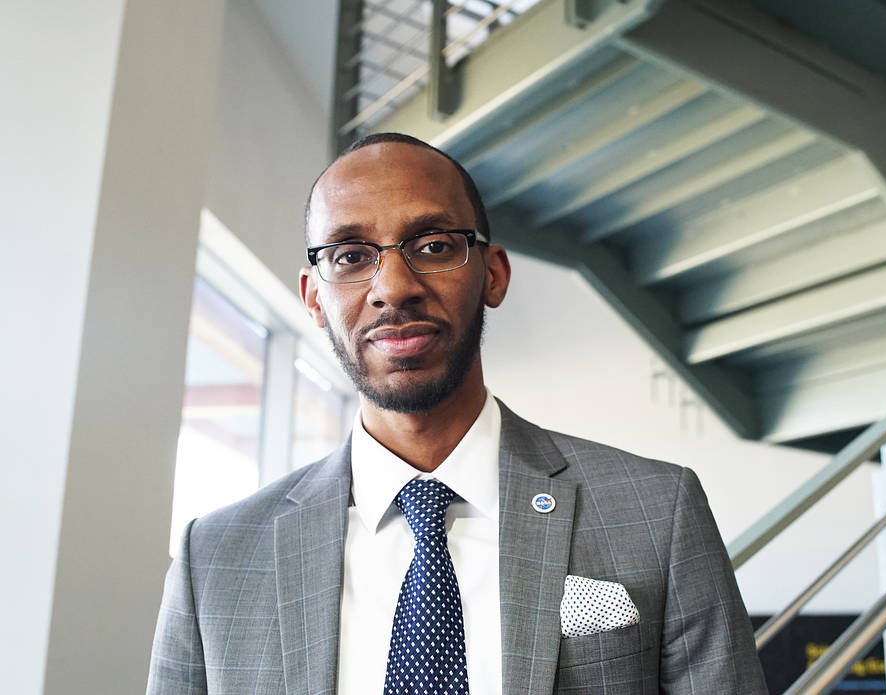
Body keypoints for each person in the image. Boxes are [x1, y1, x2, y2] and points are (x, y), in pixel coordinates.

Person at [147, 133, 767, 694]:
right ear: (313, 297)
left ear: (492, 275)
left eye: (434, 245)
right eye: (350, 256)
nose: (394, 287)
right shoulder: (216, 556)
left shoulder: (658, 511)